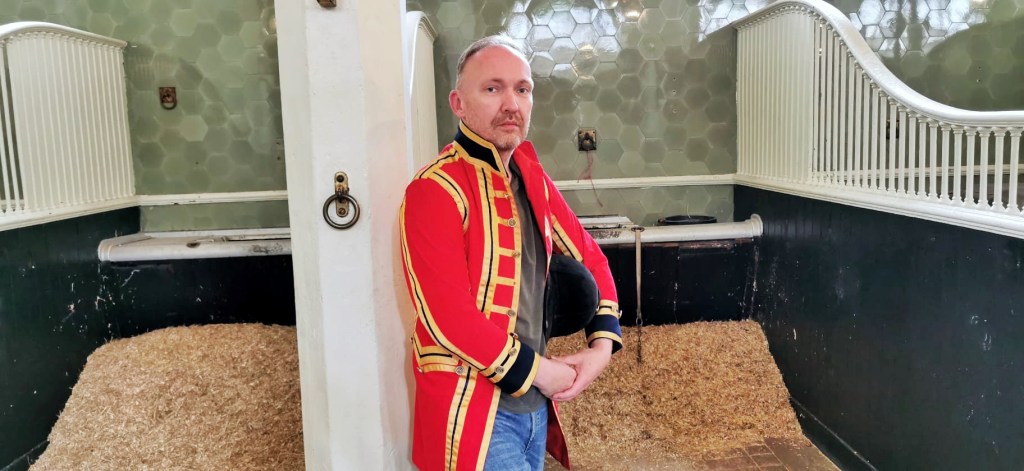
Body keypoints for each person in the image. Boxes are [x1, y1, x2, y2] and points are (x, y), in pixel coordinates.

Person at [399, 35, 623, 471]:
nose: (511, 104)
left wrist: (600, 349)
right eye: (492, 88)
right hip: (472, 413)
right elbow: (449, 318)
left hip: (535, 409)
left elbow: (591, 257)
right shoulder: (434, 189)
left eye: (522, 89)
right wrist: (541, 372)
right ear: (458, 104)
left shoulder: (531, 176)